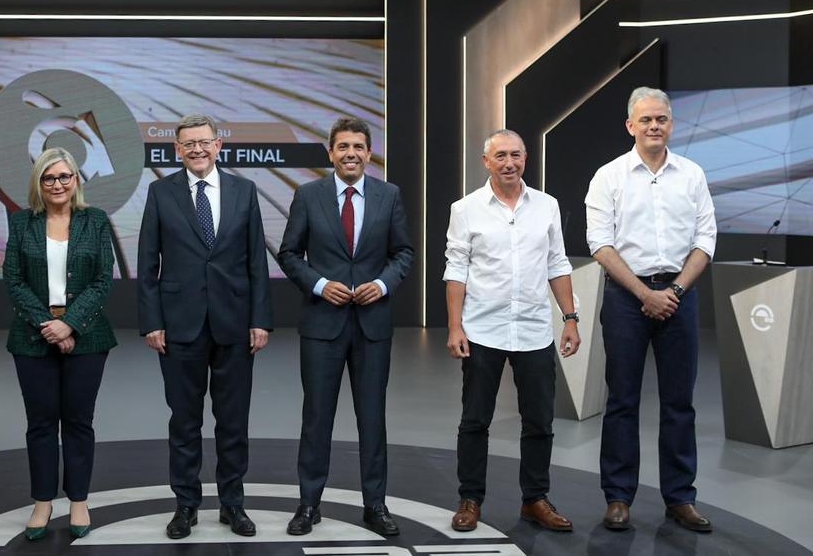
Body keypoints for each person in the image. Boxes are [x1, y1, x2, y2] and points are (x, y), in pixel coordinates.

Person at [586, 87, 716, 533]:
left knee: (680, 403)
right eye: (646, 120)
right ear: (630, 126)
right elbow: (599, 243)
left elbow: (705, 240)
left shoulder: (692, 175)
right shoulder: (609, 176)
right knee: (622, 400)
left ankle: (680, 497)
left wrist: (674, 290)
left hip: (679, 296)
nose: (654, 126)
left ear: (672, 124)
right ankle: (618, 497)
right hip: (627, 298)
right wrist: (644, 293)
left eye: (661, 118)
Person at [137, 113, 273, 539]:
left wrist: (260, 320)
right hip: (179, 327)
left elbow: (256, 261)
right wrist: (151, 322)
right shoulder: (160, 193)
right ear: (177, 150)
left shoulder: (244, 191)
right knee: (184, 421)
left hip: (235, 325)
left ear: (219, 146)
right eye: (188, 144)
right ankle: (186, 506)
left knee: (233, 422)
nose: (196, 149)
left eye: (204, 142)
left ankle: (233, 504)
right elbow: (146, 265)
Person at [277, 116, 414, 537]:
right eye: (343, 147)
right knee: (316, 418)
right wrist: (320, 285)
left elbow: (403, 253)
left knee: (372, 418)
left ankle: (375, 505)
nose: (351, 154)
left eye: (358, 147)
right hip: (322, 325)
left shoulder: (388, 195)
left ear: (368, 154)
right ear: (330, 153)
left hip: (372, 327)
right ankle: (308, 504)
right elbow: (288, 253)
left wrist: (380, 284)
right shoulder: (308, 195)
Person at [443, 129, 581, 533]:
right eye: (500, 155)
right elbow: (456, 270)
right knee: (475, 420)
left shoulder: (547, 206)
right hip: (483, 329)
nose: (509, 162)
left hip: (535, 330)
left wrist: (570, 318)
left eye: (516, 155)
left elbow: (558, 263)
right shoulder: (465, 209)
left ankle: (535, 499)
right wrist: (455, 327)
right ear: (486, 162)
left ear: (525, 159)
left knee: (539, 421)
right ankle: (470, 499)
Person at [3, 147, 117, 541]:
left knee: (78, 421)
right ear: (39, 182)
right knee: (40, 423)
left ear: (76, 181)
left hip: (87, 335)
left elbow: (104, 279)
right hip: (32, 336)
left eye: (64, 177)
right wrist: (46, 323)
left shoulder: (96, 221)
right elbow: (13, 279)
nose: (57, 184)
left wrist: (68, 325)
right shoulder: (21, 223)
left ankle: (80, 500)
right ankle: (42, 501)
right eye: (49, 178)